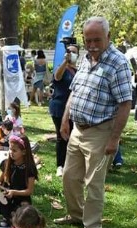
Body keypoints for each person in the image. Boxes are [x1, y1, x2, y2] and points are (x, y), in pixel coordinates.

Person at [54, 17, 133, 228]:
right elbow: (74, 91)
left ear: (108, 37)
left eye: (97, 40)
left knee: (93, 183)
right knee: (69, 176)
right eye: (88, 40)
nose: (92, 45)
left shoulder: (118, 63)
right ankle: (76, 215)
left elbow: (125, 103)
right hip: (78, 129)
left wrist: (114, 139)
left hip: (101, 131)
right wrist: (65, 120)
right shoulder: (85, 59)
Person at [0, 135, 38, 226]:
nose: (11, 152)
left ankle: (14, 218)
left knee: (24, 208)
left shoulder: (29, 169)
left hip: (21, 196)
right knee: (2, 201)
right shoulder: (6, 163)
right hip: (6, 195)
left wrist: (14, 192)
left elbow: (29, 191)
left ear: (24, 152)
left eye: (14, 150)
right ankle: (8, 217)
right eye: (10, 149)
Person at [49, 43, 79, 177]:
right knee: (62, 136)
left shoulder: (78, 70)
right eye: (69, 51)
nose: (72, 54)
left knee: (73, 137)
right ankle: (60, 165)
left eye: (74, 52)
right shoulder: (61, 69)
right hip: (59, 108)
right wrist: (65, 61)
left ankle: (71, 164)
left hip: (74, 109)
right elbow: (57, 77)